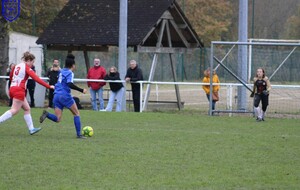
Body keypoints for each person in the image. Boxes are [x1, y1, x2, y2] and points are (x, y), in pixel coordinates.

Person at [0, 51, 54, 135]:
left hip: (12, 89)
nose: (32, 65)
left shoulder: (16, 66)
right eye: (32, 62)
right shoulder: (26, 68)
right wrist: (49, 86)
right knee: (14, 110)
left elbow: (11, 76)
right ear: (28, 60)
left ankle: (31, 129)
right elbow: (37, 79)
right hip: (19, 90)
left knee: (27, 108)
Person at [39, 54, 88, 139]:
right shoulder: (70, 73)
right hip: (65, 96)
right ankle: (79, 135)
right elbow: (69, 84)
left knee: (58, 119)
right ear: (72, 65)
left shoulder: (61, 71)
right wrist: (81, 90)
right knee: (76, 114)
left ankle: (47, 114)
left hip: (56, 95)